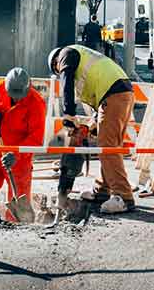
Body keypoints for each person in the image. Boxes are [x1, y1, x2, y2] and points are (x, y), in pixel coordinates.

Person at [48, 44, 136, 214]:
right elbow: (98, 88)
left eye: (57, 70)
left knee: (107, 147)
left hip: (113, 94)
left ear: (55, 63)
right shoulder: (85, 58)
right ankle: (102, 190)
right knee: (108, 145)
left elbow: (66, 78)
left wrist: (69, 114)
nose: (60, 72)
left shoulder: (66, 53)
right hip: (120, 92)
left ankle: (124, 197)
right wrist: (93, 123)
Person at [0, 67, 46, 219]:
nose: (17, 99)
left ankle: (16, 231)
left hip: (19, 160)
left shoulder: (36, 103)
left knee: (18, 202)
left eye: (20, 96)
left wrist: (16, 154)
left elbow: (36, 138)